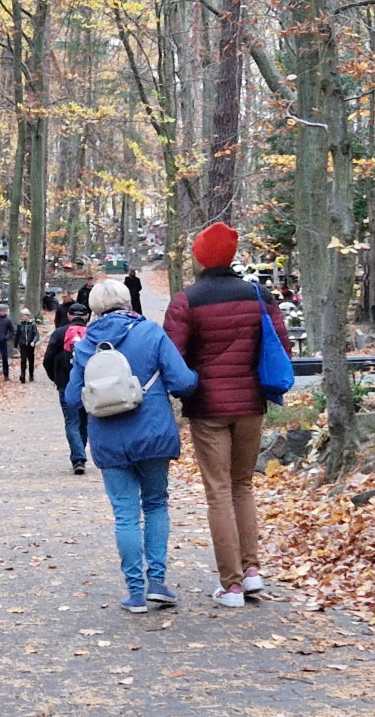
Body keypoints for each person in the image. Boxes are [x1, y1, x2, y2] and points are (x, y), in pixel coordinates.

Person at [163, 222, 291, 608]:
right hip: (252, 404)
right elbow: (280, 345)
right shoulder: (260, 295)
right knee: (243, 486)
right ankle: (252, 572)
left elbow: (173, 357)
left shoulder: (186, 300)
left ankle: (231, 585)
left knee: (218, 491)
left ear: (200, 257)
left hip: (208, 408)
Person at [65, 280, 197, 613]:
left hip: (109, 439)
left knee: (125, 515)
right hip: (153, 432)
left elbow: (71, 397)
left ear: (94, 307)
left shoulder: (85, 345)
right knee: (155, 504)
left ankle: (135, 592)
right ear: (127, 301)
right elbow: (182, 382)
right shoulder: (151, 333)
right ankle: (158, 583)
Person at [42, 302, 90, 474]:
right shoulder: (92, 334)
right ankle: (79, 454)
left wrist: (56, 378)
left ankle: (78, 457)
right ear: (87, 316)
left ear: (69, 316)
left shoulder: (59, 333)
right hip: (89, 384)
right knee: (84, 421)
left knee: (71, 421)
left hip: (66, 383)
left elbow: (47, 359)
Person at [15, 308, 40, 383]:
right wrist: (15, 346)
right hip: (23, 345)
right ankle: (22, 375)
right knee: (23, 360)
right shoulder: (20, 325)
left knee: (31, 360)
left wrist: (33, 341)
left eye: (23, 315)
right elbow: (17, 335)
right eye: (21, 316)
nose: (21, 317)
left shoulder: (32, 325)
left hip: (30, 346)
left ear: (27, 316)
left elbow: (36, 335)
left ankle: (31, 374)